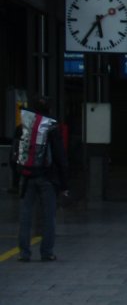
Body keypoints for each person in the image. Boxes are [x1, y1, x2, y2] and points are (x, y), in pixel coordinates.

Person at [17, 95, 69, 262]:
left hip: (27, 176)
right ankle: (46, 252)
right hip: (47, 178)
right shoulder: (52, 128)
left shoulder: (24, 126)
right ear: (50, 110)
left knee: (26, 216)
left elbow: (15, 154)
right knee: (49, 216)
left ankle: (24, 253)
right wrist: (64, 184)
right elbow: (60, 157)